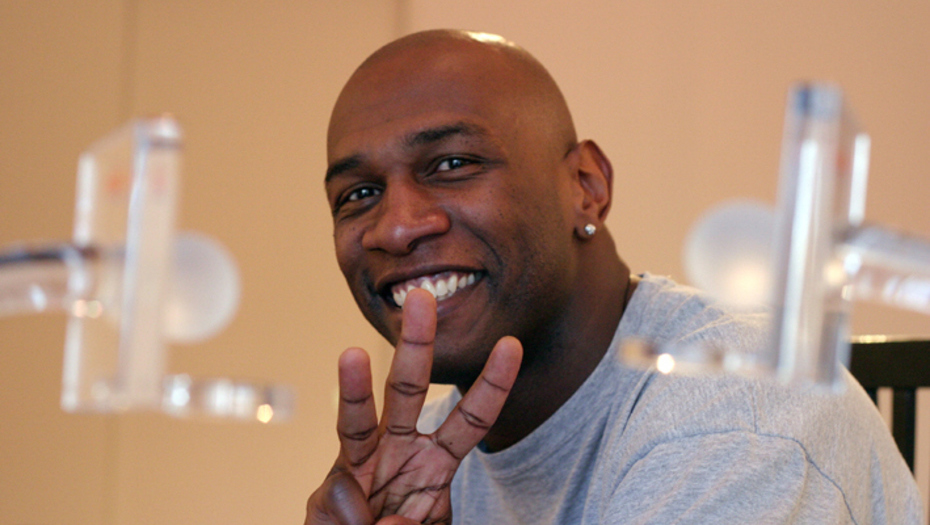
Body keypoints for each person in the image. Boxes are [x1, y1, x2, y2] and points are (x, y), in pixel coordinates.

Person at [307, 29, 922, 524]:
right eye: (358, 194)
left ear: (587, 187)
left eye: (453, 163)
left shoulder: (736, 418)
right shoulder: (425, 460)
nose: (395, 227)